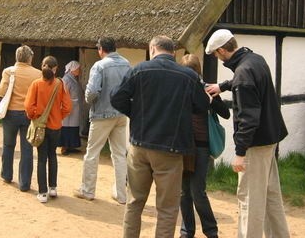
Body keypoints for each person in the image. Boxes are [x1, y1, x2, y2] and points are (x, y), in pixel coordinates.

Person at [111, 36, 210, 238]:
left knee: (134, 202)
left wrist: (135, 114)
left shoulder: (139, 70)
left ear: (152, 49)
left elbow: (116, 97)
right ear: (173, 52)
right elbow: (201, 106)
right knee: (167, 209)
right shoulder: (188, 76)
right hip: (171, 150)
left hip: (139, 145)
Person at [204, 29, 290, 238]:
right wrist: (222, 86)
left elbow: (248, 119)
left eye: (216, 54)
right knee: (270, 195)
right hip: (270, 138)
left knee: (249, 199)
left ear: (223, 50)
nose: (217, 57)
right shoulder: (255, 59)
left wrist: (240, 152)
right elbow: (245, 80)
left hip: (255, 144)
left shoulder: (243, 73)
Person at [74, 37, 131, 204]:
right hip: (121, 114)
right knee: (120, 154)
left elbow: (91, 91)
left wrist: (88, 100)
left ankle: (88, 190)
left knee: (92, 152)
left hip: (102, 114)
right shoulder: (126, 64)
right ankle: (121, 194)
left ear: (101, 50)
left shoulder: (99, 66)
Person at [178, 54, 230, 238]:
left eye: (191, 72)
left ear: (197, 72)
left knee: (197, 190)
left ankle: (211, 230)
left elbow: (225, 114)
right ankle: (186, 231)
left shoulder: (207, 89)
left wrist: (211, 101)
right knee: (183, 191)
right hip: (183, 146)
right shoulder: (179, 88)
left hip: (202, 146)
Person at [24, 56, 72, 203]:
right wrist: (59, 116)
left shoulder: (36, 84)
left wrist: (35, 116)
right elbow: (68, 106)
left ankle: (42, 192)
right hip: (55, 126)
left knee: (41, 158)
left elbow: (28, 106)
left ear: (42, 66)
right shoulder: (60, 84)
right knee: (53, 156)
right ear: (55, 68)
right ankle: (53, 188)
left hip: (40, 126)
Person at [0, 45, 41, 190]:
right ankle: (25, 183)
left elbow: (2, 91)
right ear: (30, 58)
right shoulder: (37, 74)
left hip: (11, 113)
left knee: (8, 145)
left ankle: (7, 175)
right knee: (27, 149)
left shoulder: (8, 71)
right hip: (29, 114)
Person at [59, 60, 84, 155]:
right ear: (72, 69)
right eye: (78, 69)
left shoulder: (73, 79)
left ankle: (71, 145)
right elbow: (64, 93)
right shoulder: (66, 79)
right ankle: (64, 147)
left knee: (73, 127)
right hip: (69, 107)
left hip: (75, 107)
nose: (79, 70)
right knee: (66, 126)